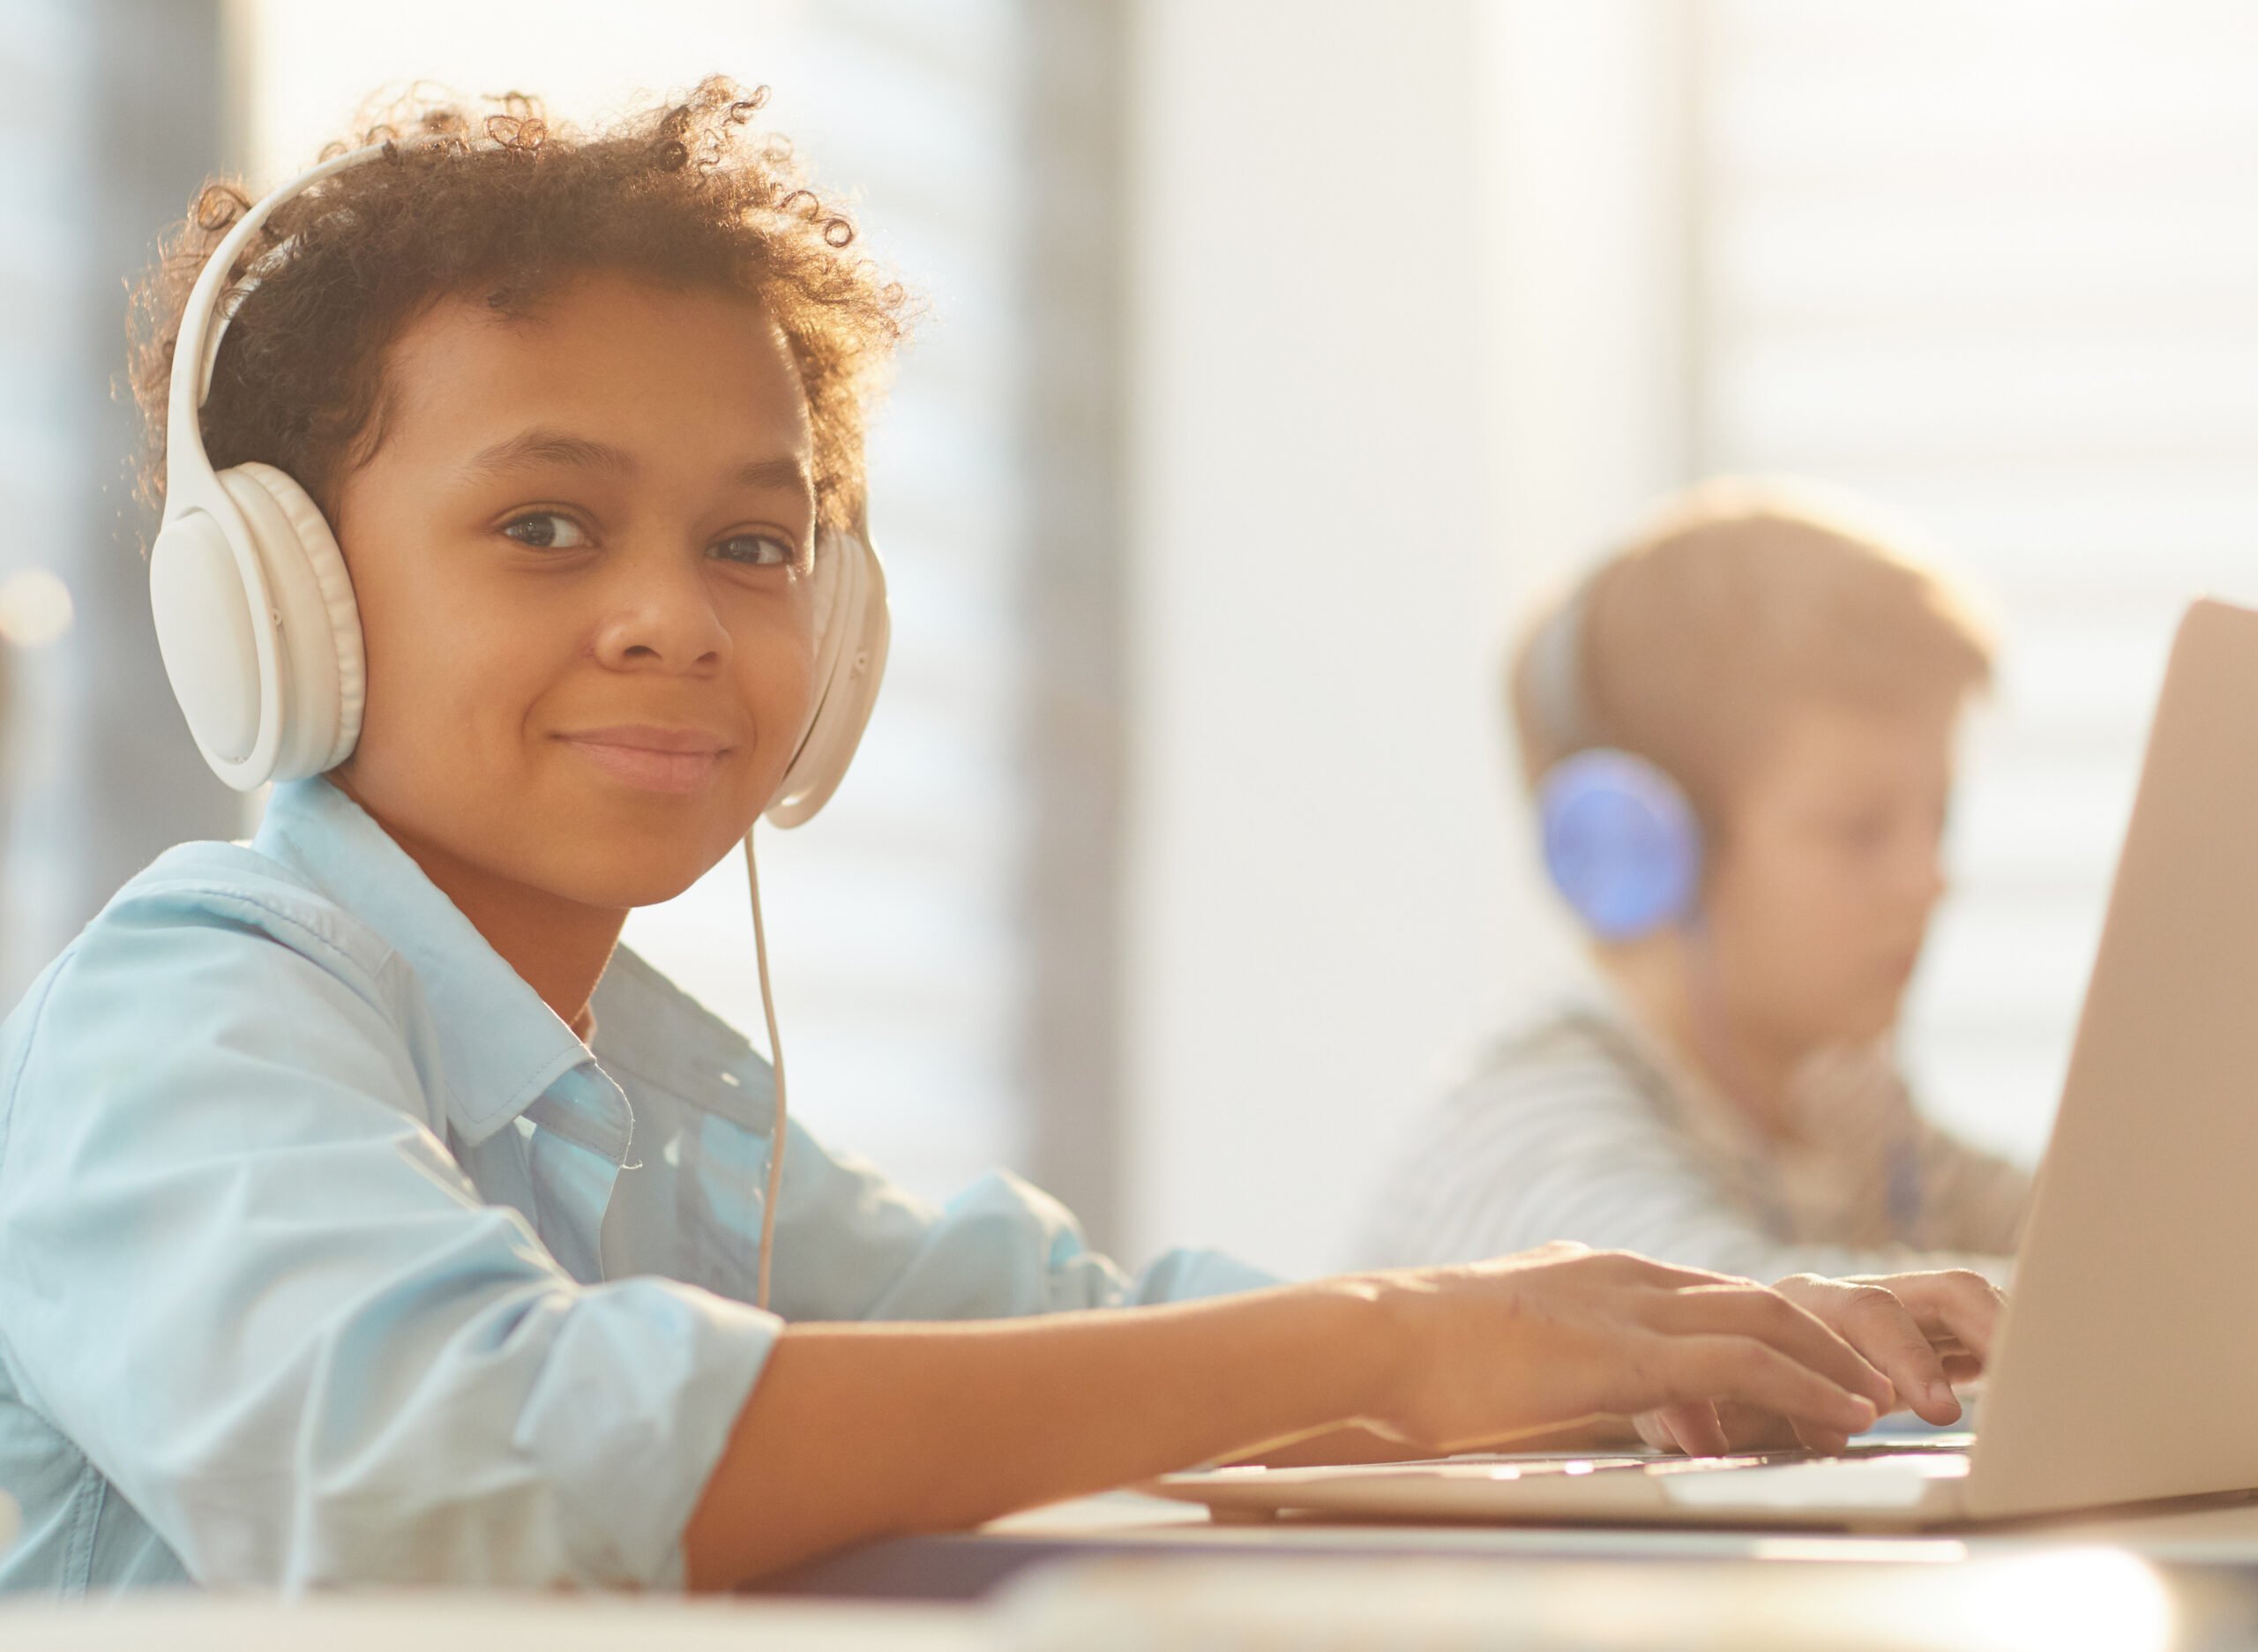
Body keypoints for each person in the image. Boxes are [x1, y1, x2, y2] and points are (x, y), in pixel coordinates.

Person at [0, 90, 2000, 1596]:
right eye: (544, 525)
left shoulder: (653, 1088)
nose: (675, 616)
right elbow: (463, 1465)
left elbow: (1065, 1327)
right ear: (274, 596)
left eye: (753, 545)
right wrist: (1400, 1339)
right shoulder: (193, 1005)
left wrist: (1637, 1342)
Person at [1361, 482, 2032, 1286]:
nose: (1929, 882)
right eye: (1860, 830)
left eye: (1941, 818)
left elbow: (2075, 1234)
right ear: (1651, 851)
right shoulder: (1531, 1126)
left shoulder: (1842, 1107)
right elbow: (1734, 1330)